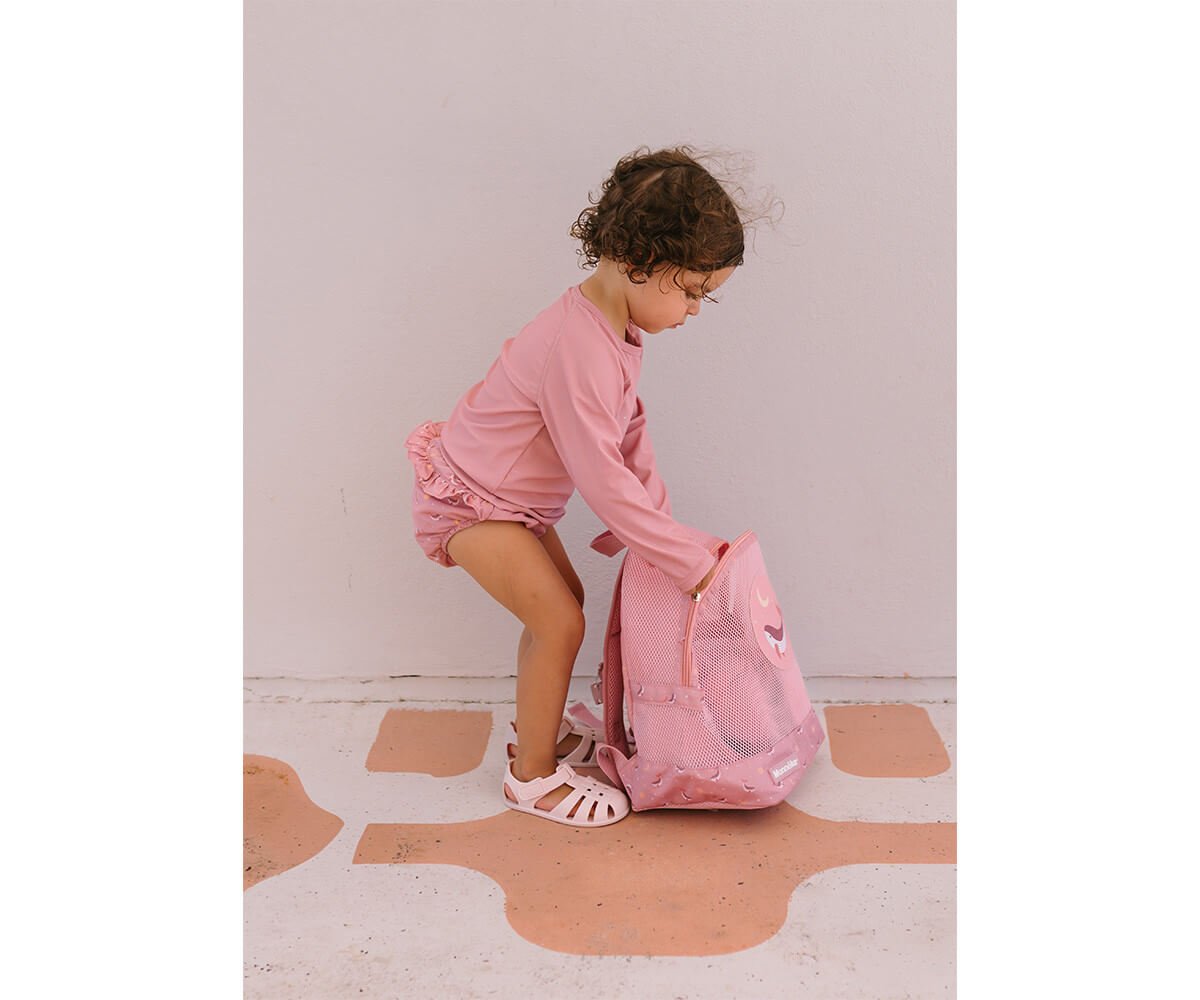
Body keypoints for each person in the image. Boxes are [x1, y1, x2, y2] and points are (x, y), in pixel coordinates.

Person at [404, 144, 745, 828]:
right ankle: (531, 778)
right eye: (691, 290)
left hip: (509, 503)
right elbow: (599, 475)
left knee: (564, 607)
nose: (695, 309)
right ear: (640, 260)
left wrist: (664, 530)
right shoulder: (577, 344)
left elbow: (629, 431)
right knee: (558, 620)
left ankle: (543, 729)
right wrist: (686, 563)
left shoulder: (614, 330)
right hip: (470, 501)